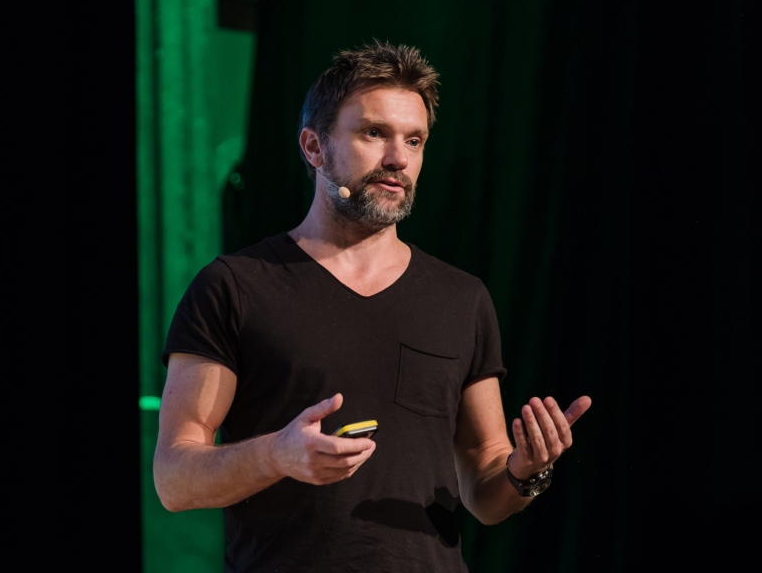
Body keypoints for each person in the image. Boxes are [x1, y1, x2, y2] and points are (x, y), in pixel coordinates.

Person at [153, 40, 592, 572]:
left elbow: (484, 487)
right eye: (373, 133)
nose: (398, 159)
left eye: (414, 139)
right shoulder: (235, 286)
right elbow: (175, 480)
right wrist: (275, 454)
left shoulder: (461, 298)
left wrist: (526, 471)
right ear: (314, 148)